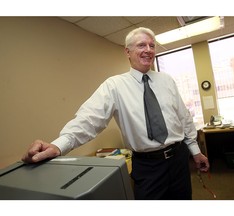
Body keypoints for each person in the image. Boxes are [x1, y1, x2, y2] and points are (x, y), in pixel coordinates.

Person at [22, 27, 209, 200]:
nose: (148, 50)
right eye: (141, 45)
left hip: (179, 161)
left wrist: (195, 150)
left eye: (152, 45)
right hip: (148, 167)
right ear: (127, 52)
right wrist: (58, 146)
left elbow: (183, 117)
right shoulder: (114, 86)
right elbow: (89, 120)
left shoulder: (167, 81)